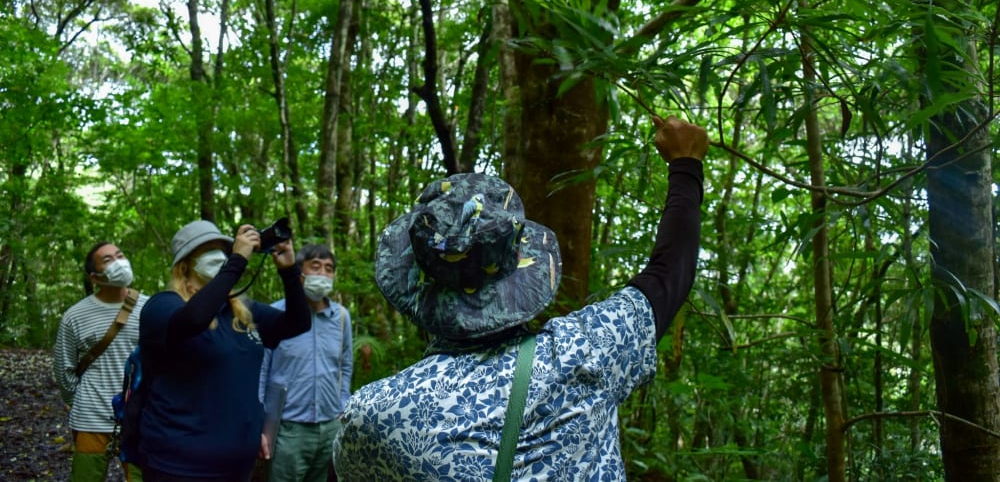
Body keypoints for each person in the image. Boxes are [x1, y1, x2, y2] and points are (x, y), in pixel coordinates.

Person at [332, 115, 708, 480]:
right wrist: (685, 165)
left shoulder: (372, 417)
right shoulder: (587, 352)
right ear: (522, 267)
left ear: (415, 284)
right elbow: (669, 273)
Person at [137, 220, 312, 482]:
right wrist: (237, 260)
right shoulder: (162, 306)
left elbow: (298, 323)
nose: (220, 255)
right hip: (179, 467)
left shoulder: (241, 312)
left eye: (224, 248)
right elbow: (195, 319)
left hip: (237, 466)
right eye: (209, 249)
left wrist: (289, 271)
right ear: (185, 264)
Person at [53, 241, 147, 482]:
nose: (119, 262)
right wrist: (82, 402)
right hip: (91, 417)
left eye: (120, 255)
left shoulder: (150, 307)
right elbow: (64, 370)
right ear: (95, 277)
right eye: (108, 260)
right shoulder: (75, 316)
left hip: (141, 417)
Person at [258, 243, 353, 482]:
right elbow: (261, 370)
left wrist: (342, 405)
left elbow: (345, 365)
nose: (322, 273)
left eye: (329, 268)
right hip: (287, 429)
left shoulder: (341, 317)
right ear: (299, 272)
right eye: (315, 266)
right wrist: (259, 422)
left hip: (329, 425)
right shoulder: (274, 314)